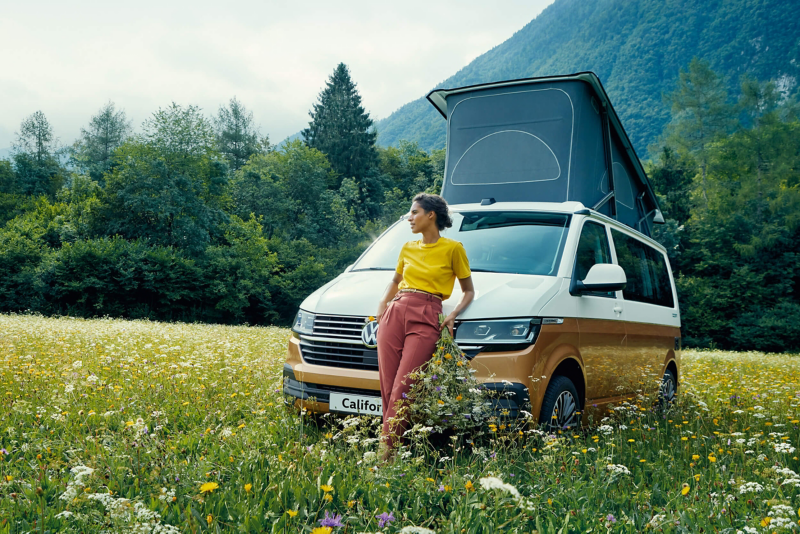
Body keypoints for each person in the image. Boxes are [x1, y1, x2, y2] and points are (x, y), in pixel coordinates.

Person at [375, 193, 475, 460]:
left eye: (414, 212)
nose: (410, 218)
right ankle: (396, 449)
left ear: (431, 215)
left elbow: (468, 291)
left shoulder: (453, 249)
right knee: (387, 385)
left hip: (428, 312)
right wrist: (381, 308)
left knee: (405, 386)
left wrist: (452, 314)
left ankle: (384, 454)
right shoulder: (408, 247)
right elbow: (395, 281)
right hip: (395, 311)